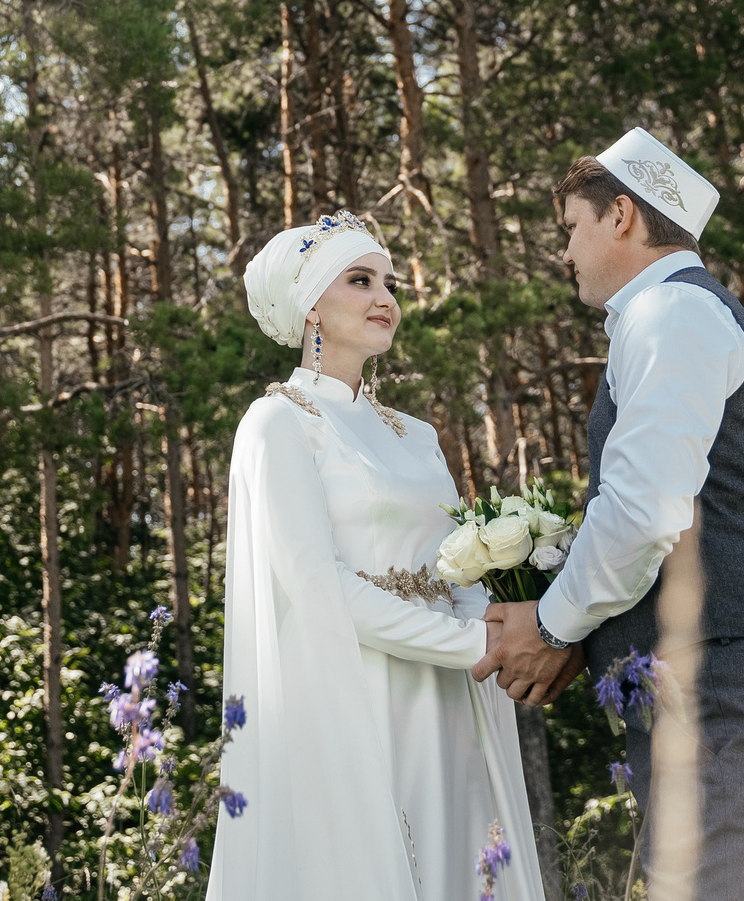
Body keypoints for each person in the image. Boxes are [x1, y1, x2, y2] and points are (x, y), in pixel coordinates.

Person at [473, 129, 744, 900]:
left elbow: (642, 510)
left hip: (741, 702)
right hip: (718, 699)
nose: (565, 253)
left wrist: (553, 626)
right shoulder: (673, 314)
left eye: (570, 227)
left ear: (620, 215)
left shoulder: (671, 311)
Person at [207, 211, 544, 901]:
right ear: (309, 306)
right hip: (358, 693)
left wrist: (496, 631)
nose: (385, 297)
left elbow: (457, 563)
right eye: (360, 280)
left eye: (389, 282)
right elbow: (317, 586)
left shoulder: (416, 435)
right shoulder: (278, 422)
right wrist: (478, 644)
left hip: (451, 696)